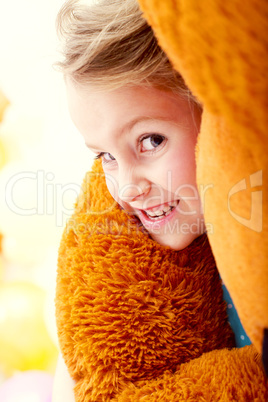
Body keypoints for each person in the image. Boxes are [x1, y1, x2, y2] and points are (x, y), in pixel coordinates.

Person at [52, 0, 250, 399]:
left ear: (215, 119)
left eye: (151, 141)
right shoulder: (114, 253)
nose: (127, 188)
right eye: (105, 156)